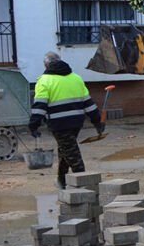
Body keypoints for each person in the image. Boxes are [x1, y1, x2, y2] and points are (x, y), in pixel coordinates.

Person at [29, 52, 103, 189]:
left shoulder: (44, 81)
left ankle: (84, 185)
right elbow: (88, 103)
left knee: (72, 154)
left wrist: (34, 125)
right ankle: (61, 180)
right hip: (76, 122)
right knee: (66, 150)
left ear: (46, 65)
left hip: (59, 124)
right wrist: (97, 122)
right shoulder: (76, 78)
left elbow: (40, 105)